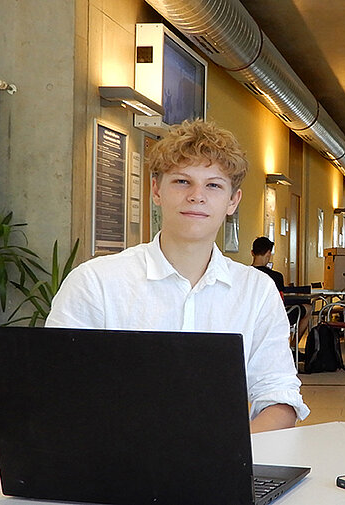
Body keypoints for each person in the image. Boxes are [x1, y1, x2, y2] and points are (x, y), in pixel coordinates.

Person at [46, 119, 308, 433]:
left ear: (232, 201)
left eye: (213, 185)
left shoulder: (256, 291)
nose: (197, 196)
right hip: (118, 467)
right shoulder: (95, 283)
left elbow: (278, 397)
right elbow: (59, 391)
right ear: (156, 190)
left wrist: (223, 456)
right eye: (182, 181)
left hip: (223, 468)